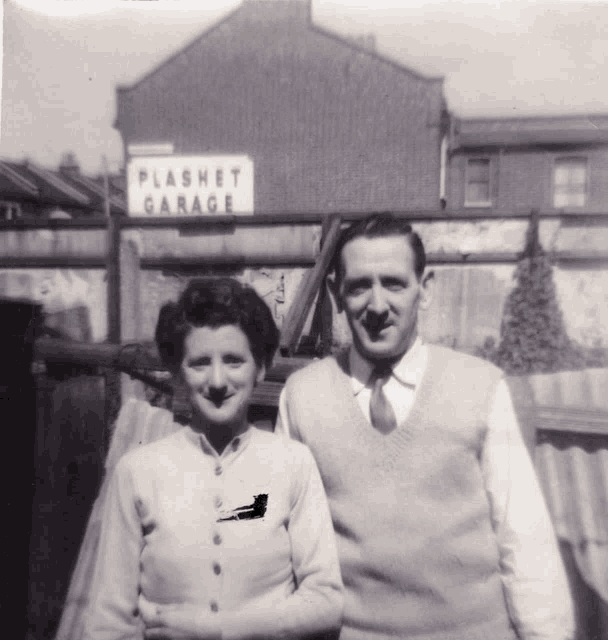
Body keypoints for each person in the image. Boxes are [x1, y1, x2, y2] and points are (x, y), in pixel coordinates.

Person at [276, 213, 575, 640]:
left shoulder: (481, 388)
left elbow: (524, 541)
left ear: (425, 288)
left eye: (394, 283)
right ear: (336, 294)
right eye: (359, 286)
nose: (377, 306)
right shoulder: (302, 397)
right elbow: (273, 532)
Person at [84, 278, 343, 640]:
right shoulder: (139, 472)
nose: (218, 380)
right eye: (200, 363)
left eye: (235, 361)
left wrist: (221, 628)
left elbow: (326, 600)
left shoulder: (292, 465)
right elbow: (107, 622)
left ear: (261, 368)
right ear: (176, 372)